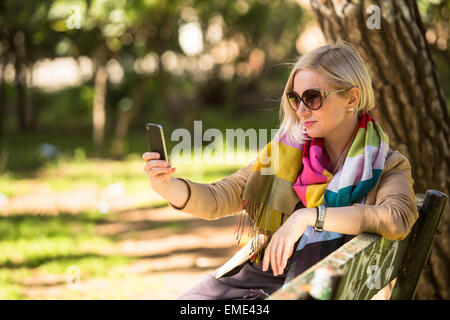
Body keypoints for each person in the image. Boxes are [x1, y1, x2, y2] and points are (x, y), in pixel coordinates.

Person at [142, 41, 419, 300]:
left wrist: (308, 217)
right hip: (264, 283)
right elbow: (221, 197)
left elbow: (396, 218)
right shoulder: (287, 153)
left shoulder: (387, 167)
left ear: (352, 98)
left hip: (295, 290)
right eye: (294, 98)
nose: (300, 110)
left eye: (312, 98)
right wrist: (168, 186)